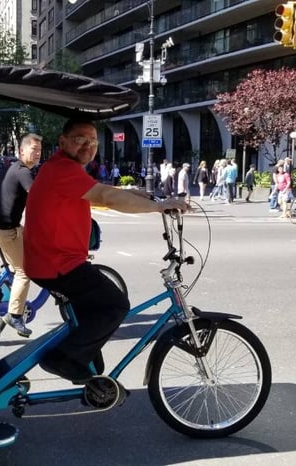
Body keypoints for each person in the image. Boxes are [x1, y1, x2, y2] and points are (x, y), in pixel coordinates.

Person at [23, 118, 189, 384]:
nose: (87, 146)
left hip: (51, 260)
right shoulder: (63, 169)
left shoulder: (63, 168)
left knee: (95, 307)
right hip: (56, 264)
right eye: (80, 140)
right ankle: (63, 359)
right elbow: (106, 198)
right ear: (63, 142)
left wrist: (135, 192)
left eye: (92, 141)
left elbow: (99, 191)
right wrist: (162, 206)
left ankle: (86, 355)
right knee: (116, 304)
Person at [0, 133, 42, 337]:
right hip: (4, 230)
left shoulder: (13, 168)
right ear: (22, 151)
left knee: (34, 243)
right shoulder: (23, 172)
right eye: (33, 149)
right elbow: (36, 197)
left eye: (39, 150)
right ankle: (15, 315)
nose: (37, 153)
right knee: (24, 271)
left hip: (0, 226)